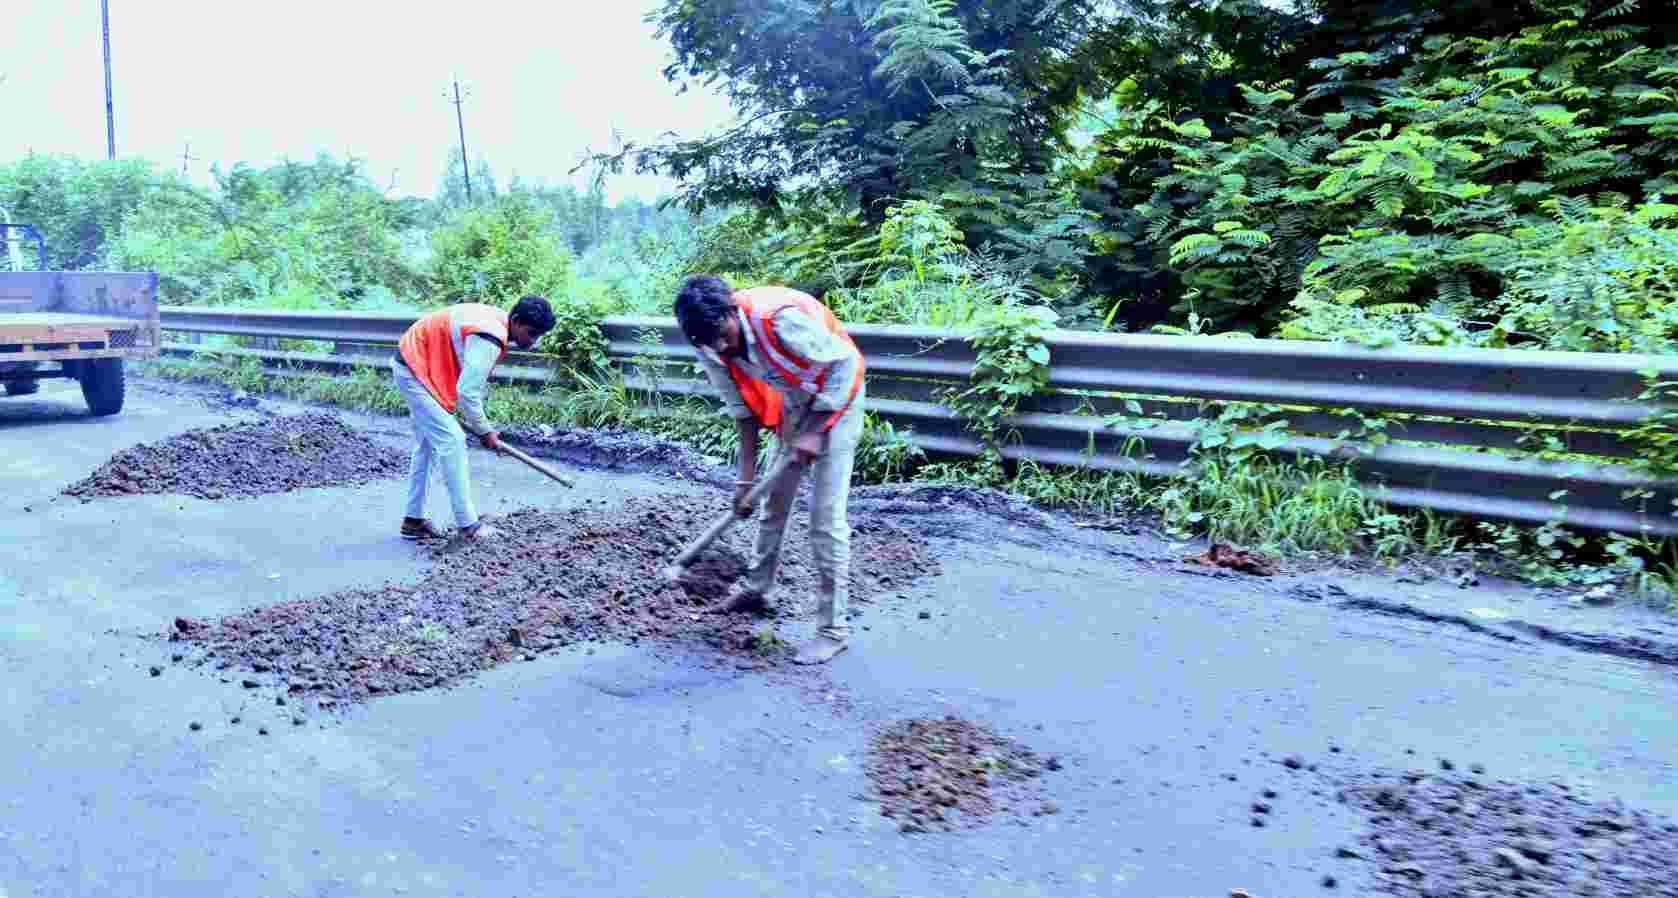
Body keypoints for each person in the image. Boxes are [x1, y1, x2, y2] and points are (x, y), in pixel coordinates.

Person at [674, 275, 867, 666]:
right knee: (773, 504)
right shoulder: (708, 344)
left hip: (838, 397)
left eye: (721, 334)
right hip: (795, 401)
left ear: (731, 310)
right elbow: (741, 411)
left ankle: (833, 631)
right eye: (708, 341)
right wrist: (745, 481)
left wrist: (816, 433)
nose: (721, 347)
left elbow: (847, 365)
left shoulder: (778, 319)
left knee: (825, 521)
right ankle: (758, 588)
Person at [390, 295, 555, 543]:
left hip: (417, 365)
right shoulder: (489, 335)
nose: (533, 342)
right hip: (415, 370)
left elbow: (465, 383)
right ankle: (469, 525)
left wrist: (481, 427)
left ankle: (413, 521)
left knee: (428, 446)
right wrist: (486, 431)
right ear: (517, 320)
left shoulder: (497, 323)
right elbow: (467, 392)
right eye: (531, 333)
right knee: (452, 440)